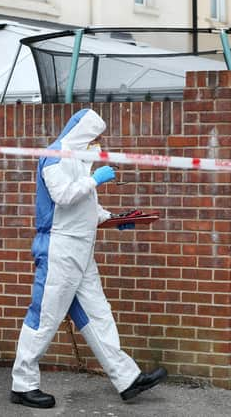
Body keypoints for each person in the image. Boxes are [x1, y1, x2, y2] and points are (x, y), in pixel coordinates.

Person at [10, 108, 167, 409]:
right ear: (83, 132)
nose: (99, 143)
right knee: (44, 318)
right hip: (59, 250)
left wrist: (114, 218)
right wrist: (95, 180)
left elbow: (84, 209)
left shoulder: (80, 161)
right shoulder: (55, 156)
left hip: (80, 250)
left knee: (98, 315)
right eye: (96, 137)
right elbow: (64, 197)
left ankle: (127, 378)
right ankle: (23, 384)